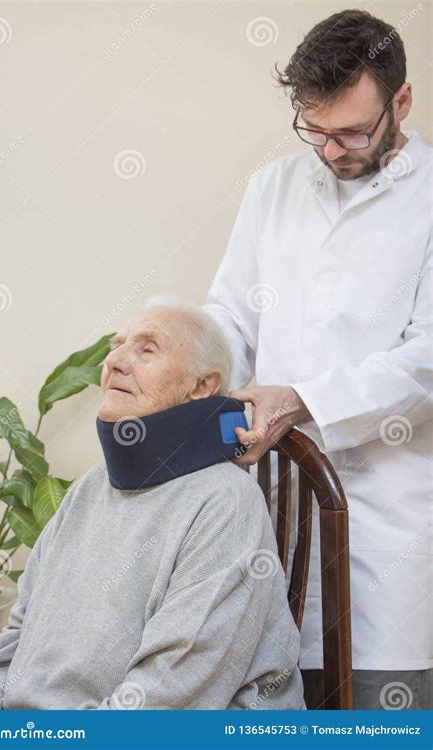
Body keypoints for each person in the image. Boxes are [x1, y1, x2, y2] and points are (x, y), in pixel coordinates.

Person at [203, 9, 432, 709]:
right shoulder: (272, 188)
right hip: (270, 515)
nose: (332, 151)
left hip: (385, 529)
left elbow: (425, 362)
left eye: (354, 131)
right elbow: (230, 317)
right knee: (270, 703)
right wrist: (182, 365)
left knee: (375, 708)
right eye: (316, 131)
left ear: (401, 101)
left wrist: (300, 400)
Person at [0, 298, 304, 711]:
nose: (115, 362)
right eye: (116, 346)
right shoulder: (90, 488)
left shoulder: (225, 505)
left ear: (202, 386)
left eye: (147, 349)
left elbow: (170, 697)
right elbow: (18, 643)